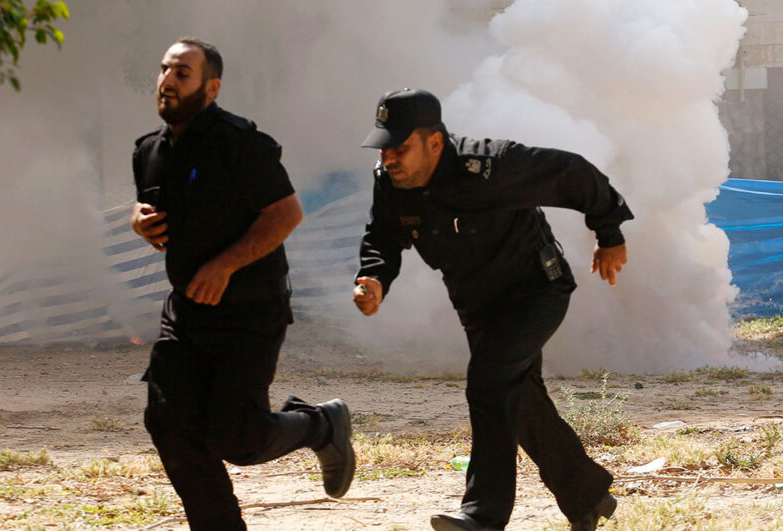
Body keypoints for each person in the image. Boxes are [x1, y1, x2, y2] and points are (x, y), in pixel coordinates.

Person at [351, 89, 631, 531]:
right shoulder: (391, 182)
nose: (390, 159)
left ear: (435, 143)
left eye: (400, 148)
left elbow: (572, 172)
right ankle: (586, 494)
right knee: (517, 401)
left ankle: (482, 516)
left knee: (489, 382)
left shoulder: (491, 166)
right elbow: (382, 238)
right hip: (478, 304)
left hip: (536, 291)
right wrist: (374, 278)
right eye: (385, 149)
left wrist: (609, 232)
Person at [131, 38, 355, 530]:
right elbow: (150, 209)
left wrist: (225, 265)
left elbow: (285, 214)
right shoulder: (149, 150)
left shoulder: (239, 144)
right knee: (169, 424)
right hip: (187, 313)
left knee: (238, 438)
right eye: (165, 70)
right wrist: (139, 222)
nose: (168, 80)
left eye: (182, 73)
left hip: (249, 312)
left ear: (211, 87)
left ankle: (321, 424)